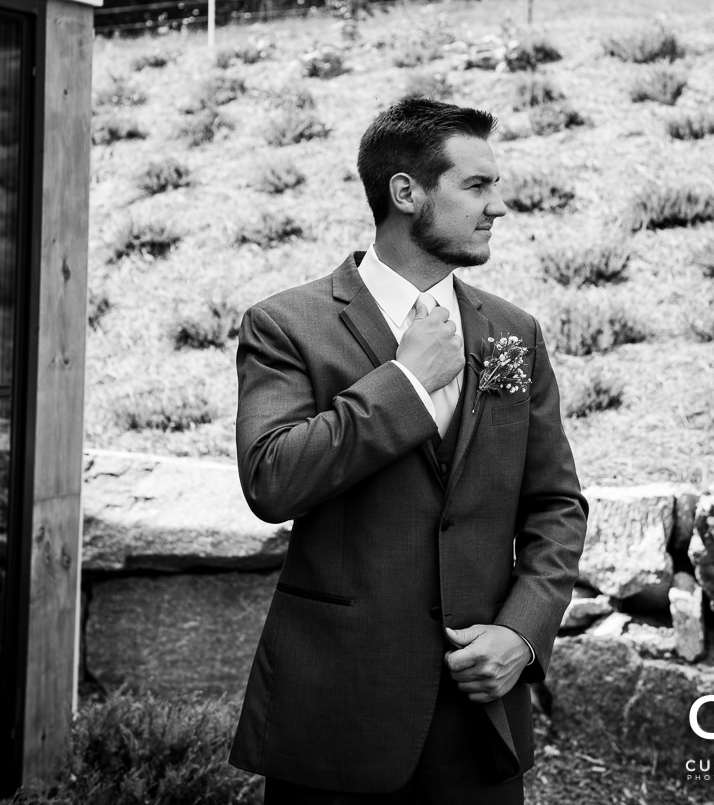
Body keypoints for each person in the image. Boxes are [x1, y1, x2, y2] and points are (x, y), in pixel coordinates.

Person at [230, 98, 588, 804]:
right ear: (405, 192)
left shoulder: (514, 333)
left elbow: (554, 505)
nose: (498, 207)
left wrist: (521, 634)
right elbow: (272, 479)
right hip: (338, 711)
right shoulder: (286, 326)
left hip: (478, 717)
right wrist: (405, 384)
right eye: (476, 186)